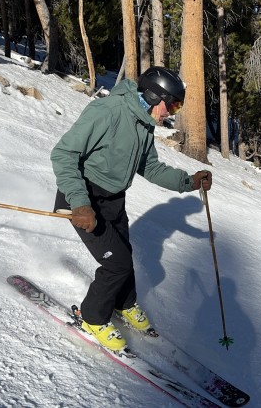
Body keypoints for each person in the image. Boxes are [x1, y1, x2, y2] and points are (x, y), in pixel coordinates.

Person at [50, 66, 213, 351]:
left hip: (113, 199)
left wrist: (188, 182)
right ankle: (91, 317)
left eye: (178, 105)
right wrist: (79, 203)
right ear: (152, 96)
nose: (171, 112)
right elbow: (64, 154)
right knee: (117, 263)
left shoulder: (144, 122)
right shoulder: (107, 112)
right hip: (83, 199)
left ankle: (124, 304)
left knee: (125, 253)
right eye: (172, 104)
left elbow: (149, 166)